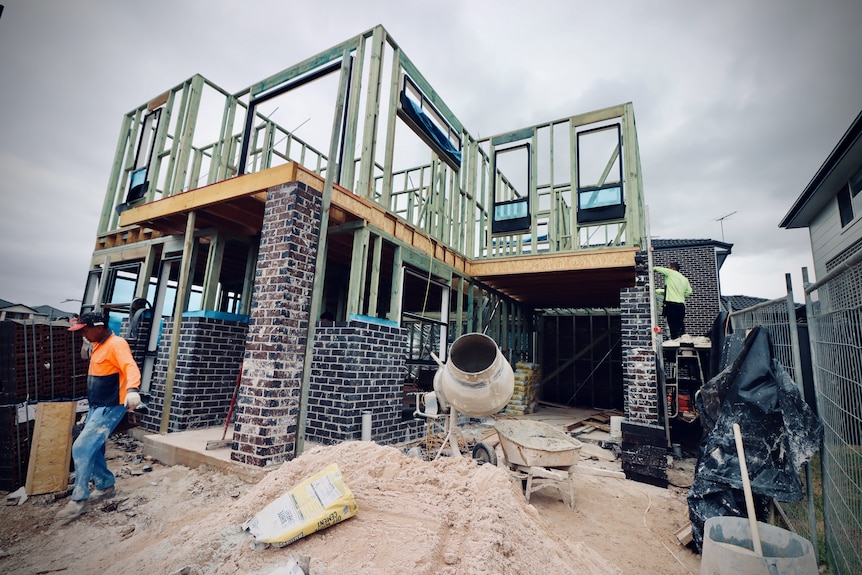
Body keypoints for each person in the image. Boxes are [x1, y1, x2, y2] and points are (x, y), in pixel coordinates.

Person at [56, 311, 142, 523]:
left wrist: (132, 389)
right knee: (93, 447)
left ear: (99, 327)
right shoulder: (98, 345)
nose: (83, 333)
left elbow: (130, 366)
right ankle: (104, 485)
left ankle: (79, 500)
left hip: (111, 406)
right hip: (97, 406)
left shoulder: (116, 344)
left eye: (85, 329)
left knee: (82, 447)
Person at [654, 262, 692, 339]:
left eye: (669, 267)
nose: (667, 268)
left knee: (672, 326)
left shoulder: (671, 273)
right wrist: (680, 295)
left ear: (672, 268)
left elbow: (656, 269)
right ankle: (682, 341)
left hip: (671, 305)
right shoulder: (684, 279)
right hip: (681, 305)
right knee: (680, 325)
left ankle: (674, 343)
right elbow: (689, 291)